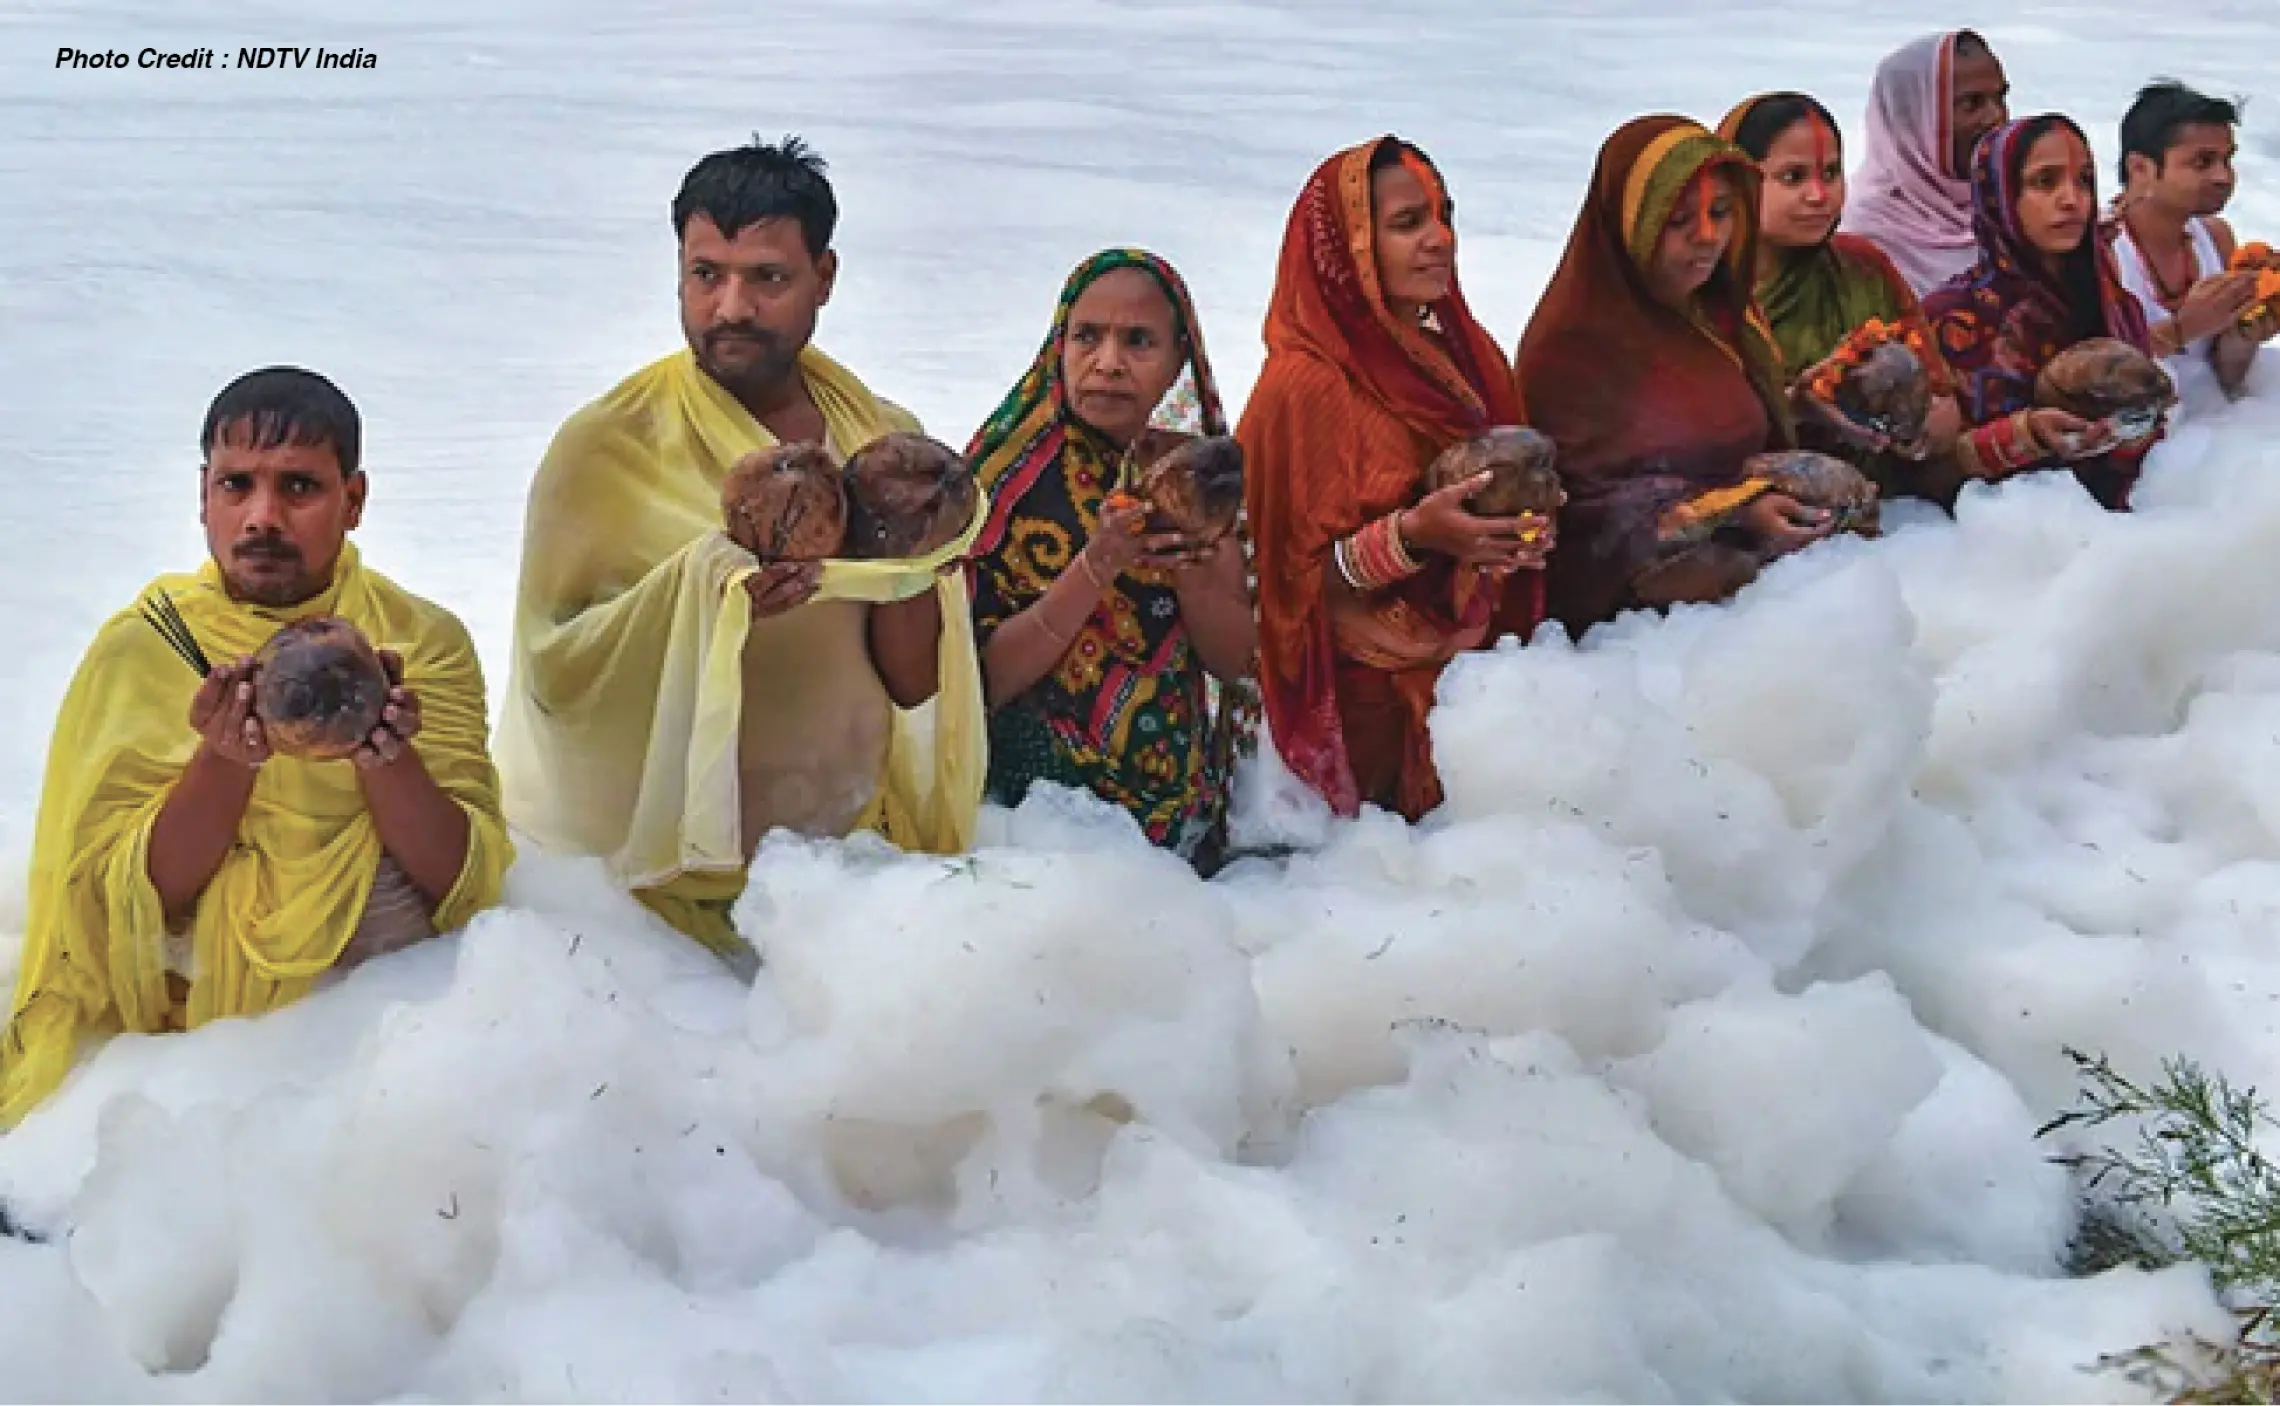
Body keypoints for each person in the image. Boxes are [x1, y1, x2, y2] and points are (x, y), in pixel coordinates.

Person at [497, 138, 985, 963]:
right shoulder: (607, 447)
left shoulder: (880, 441)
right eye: (705, 274)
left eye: (767, 277)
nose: (730, 307)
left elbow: (910, 684)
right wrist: (701, 590)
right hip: (654, 891)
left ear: (823, 278)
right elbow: (553, 673)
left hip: (837, 866)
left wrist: (901, 563)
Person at [0, 368, 511, 1126]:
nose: (261, 517)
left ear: (355, 499)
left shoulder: (423, 642)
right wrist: (225, 761)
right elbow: (122, 911)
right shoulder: (146, 648)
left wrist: (386, 757)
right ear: (202, 495)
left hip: (377, 1007)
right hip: (196, 1013)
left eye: (299, 488)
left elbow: (461, 886)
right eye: (236, 485)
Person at [1238, 136, 1549, 823]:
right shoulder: (1303, 388)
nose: (1440, 240)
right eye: (1409, 224)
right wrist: (1413, 537)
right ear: (1346, 247)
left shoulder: (1469, 359)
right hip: (1358, 720)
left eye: (1446, 217)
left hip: (1473, 707)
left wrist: (1513, 538)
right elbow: (1273, 585)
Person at [966, 249, 1255, 866]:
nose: (1108, 364)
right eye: (1087, 337)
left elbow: (1235, 664)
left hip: (1170, 824)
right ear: (1057, 345)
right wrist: (1097, 567)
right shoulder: (1002, 486)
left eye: (1139, 341)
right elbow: (978, 682)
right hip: (1028, 818)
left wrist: (1198, 565)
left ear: (1180, 357)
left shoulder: (1197, 478)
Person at [1515, 116, 1822, 636]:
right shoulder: (1572, 350)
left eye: (1721, 213)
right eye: (1678, 221)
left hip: (1756, 597)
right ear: (1630, 224)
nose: (1708, 238)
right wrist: (1734, 513)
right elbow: (1581, 519)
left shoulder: (1725, 320)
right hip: (1640, 636)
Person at [1720, 91, 1967, 501]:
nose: (1819, 195)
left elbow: (1942, 399)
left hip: (1883, 515)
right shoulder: (1705, 286)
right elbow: (1693, 437)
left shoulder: (1862, 268)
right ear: (1738, 182)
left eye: (1831, 173)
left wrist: (1915, 427)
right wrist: (1799, 405)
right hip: (1757, 510)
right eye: (1793, 177)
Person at [1924, 115, 2159, 510]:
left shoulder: (2114, 304)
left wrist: (2130, 432)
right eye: (2044, 182)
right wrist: (2024, 435)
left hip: (2126, 528)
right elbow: (1922, 476)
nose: (2072, 199)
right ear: (1999, 195)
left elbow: (2154, 426)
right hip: (1999, 540)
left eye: (2084, 180)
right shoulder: (1953, 317)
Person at [2107, 80, 2278, 402]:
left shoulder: (2216, 237)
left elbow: (2223, 378)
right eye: (2202, 162)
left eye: (2227, 160)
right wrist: (2183, 328)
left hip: (2203, 428)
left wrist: (2246, 334)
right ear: (2140, 168)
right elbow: (2092, 377)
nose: (2223, 177)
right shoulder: (2103, 251)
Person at [1842, 30, 2013, 294]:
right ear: (1914, 118)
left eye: (2000, 98)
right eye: (1972, 103)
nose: (1996, 118)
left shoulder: (2013, 211)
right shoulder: (1863, 235)